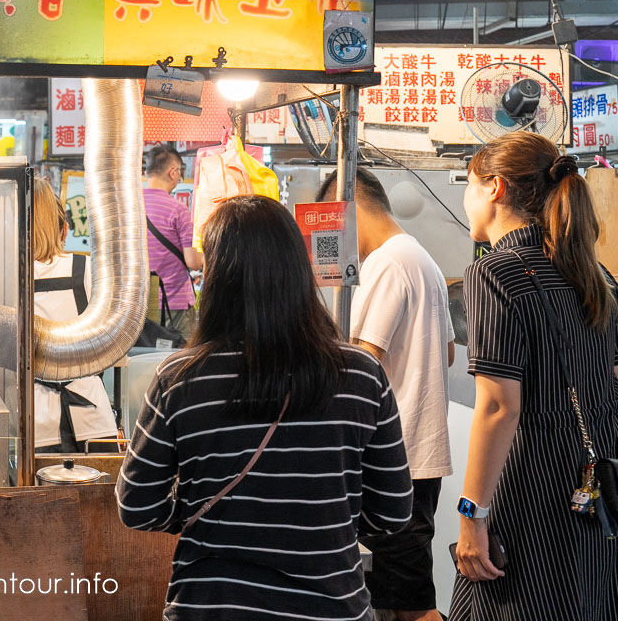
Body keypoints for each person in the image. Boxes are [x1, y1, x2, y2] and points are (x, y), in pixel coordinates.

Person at [117, 195, 413, 621]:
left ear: (217, 277)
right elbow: (393, 512)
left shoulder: (180, 378)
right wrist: (324, 519)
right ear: (298, 268)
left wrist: (202, 507)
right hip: (331, 608)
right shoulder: (361, 375)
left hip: (213, 607)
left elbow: (137, 508)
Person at [450, 132, 618, 620]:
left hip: (529, 487)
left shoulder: (495, 273)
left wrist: (472, 515)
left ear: (495, 188)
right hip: (593, 489)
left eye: (469, 183)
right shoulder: (595, 274)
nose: (467, 196)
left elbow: (500, 406)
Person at [317, 167, 454, 621]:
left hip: (396, 464)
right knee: (397, 603)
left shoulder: (386, 263)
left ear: (348, 208)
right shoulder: (420, 257)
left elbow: (362, 362)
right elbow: (449, 353)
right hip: (417, 456)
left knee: (412, 608)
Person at [29, 178, 119, 452]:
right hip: (93, 415)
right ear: (64, 229)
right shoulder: (87, 268)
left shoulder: (6, 275)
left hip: (35, 420)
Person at [144, 144, 202, 338]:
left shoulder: (129, 208)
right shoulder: (179, 211)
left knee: (141, 361)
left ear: (147, 172)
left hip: (140, 305)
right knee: (179, 360)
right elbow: (193, 262)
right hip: (174, 304)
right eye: (180, 172)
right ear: (172, 172)